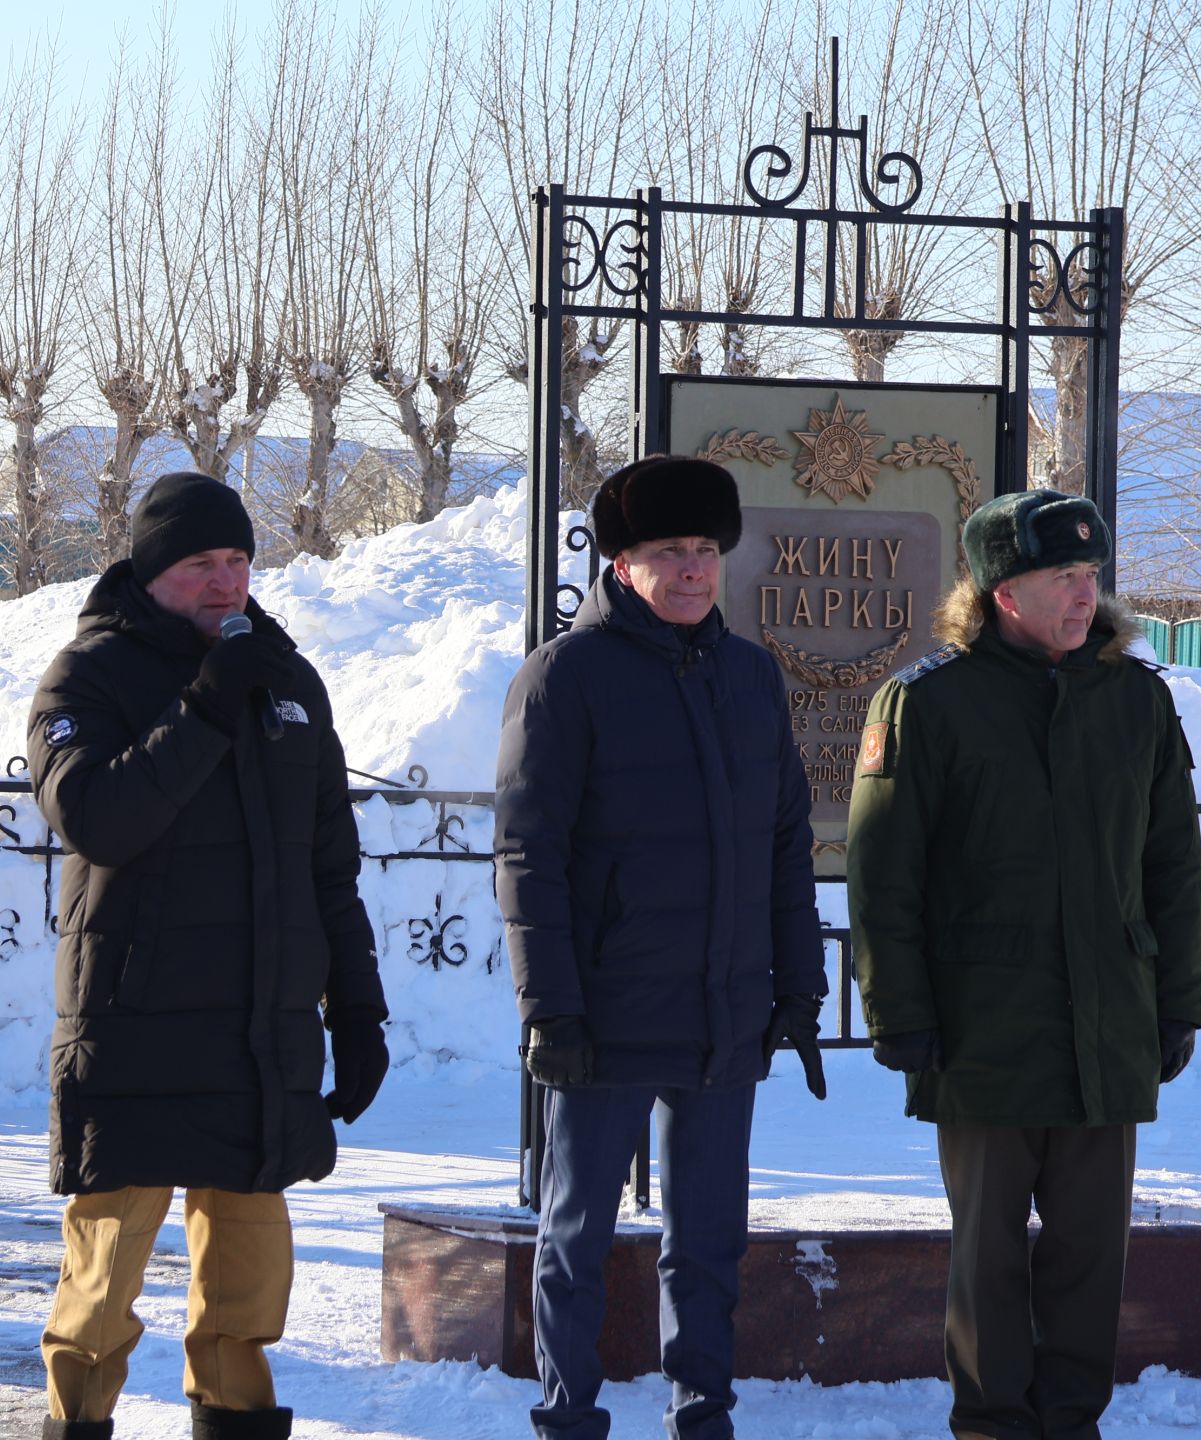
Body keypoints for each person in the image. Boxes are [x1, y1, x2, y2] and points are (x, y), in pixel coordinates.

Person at [25, 471, 389, 1440]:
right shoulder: (86, 676)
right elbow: (102, 818)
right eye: (200, 565)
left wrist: (358, 1011)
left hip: (257, 1045)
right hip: (135, 1039)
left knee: (246, 1304)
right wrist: (202, 713)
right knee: (100, 1301)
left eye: (238, 561)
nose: (226, 583)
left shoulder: (288, 678)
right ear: (151, 574)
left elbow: (329, 870)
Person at [846, 488, 1201, 1440]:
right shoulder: (929, 702)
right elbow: (886, 874)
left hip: (1109, 1025)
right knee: (990, 1256)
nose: (1085, 596)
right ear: (1004, 590)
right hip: (981, 1027)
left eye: (1090, 576)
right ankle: (995, 1424)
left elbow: (1171, 864)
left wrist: (1179, 1003)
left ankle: (1072, 1423)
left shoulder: (1136, 698)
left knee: (1092, 1253)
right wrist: (900, 1014)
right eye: (1062, 579)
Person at [495, 455, 828, 1440]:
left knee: (710, 1240)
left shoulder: (752, 676)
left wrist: (797, 989)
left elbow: (783, 846)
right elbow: (528, 856)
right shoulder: (565, 679)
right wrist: (549, 1007)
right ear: (623, 561)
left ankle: (703, 1413)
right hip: (602, 1015)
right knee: (577, 1232)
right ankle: (568, 1416)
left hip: (724, 1012)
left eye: (705, 550)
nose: (692, 569)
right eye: (668, 552)